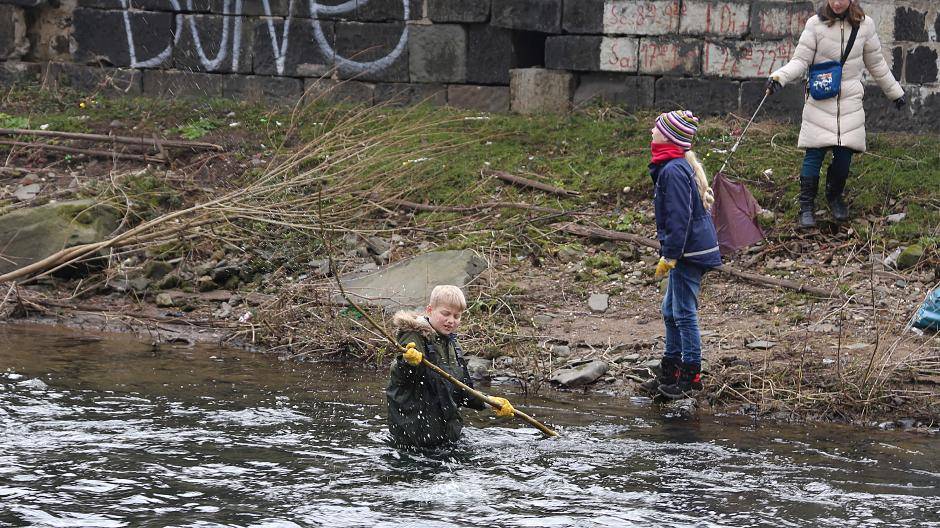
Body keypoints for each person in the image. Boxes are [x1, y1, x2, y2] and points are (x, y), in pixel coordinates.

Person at [766, 0, 905, 228]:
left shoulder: (865, 26)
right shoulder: (814, 25)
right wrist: (780, 77)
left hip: (849, 101)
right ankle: (806, 206)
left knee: (844, 156)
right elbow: (800, 60)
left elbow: (877, 64)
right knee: (814, 154)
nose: (837, 2)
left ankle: (834, 195)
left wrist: (895, 93)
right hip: (820, 98)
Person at [640, 110, 722, 400]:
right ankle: (670, 370)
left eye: (657, 128)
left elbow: (679, 218)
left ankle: (691, 375)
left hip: (689, 252)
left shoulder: (674, 170)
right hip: (684, 250)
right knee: (669, 310)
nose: (651, 131)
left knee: (684, 312)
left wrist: (670, 256)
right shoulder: (673, 166)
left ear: (669, 137)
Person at [386, 285, 514, 447]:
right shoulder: (413, 335)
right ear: (430, 310)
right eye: (445, 314)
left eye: (457, 316)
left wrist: (490, 402)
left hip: (446, 436)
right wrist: (407, 363)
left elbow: (462, 391)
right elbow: (401, 376)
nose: (451, 321)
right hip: (414, 439)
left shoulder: (453, 346)